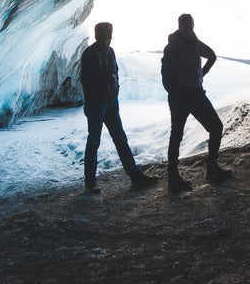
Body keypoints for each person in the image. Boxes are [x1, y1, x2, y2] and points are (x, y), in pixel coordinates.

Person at [80, 22, 158, 193]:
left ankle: (135, 176)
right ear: (98, 35)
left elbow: (114, 73)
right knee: (94, 142)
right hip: (97, 104)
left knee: (120, 139)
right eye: (107, 32)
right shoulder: (90, 54)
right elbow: (86, 82)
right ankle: (90, 182)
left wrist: (113, 93)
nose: (110, 35)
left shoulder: (110, 52)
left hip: (110, 102)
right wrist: (94, 100)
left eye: (110, 32)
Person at [161, 13, 232, 191]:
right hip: (184, 95)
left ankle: (211, 168)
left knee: (214, 127)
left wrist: (199, 75)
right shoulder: (173, 47)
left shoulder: (193, 43)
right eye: (185, 26)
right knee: (178, 133)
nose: (188, 29)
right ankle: (175, 175)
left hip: (193, 93)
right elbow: (166, 76)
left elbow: (212, 56)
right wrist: (179, 90)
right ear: (180, 26)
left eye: (190, 25)